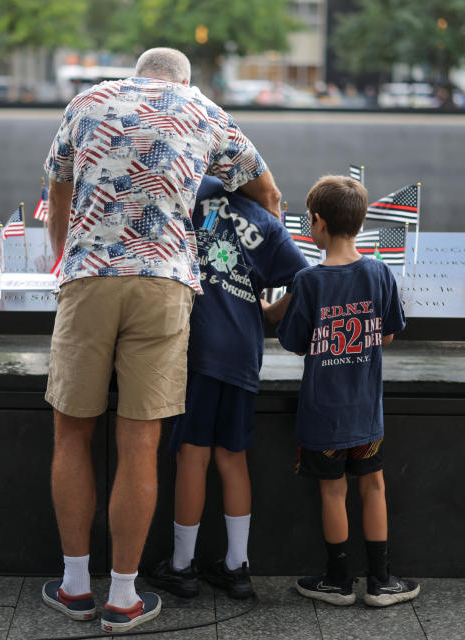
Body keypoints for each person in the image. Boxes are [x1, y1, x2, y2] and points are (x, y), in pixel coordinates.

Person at [40, 47, 280, 633]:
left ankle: (75, 587)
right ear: (182, 79)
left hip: (90, 277)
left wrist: (63, 260)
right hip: (165, 284)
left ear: (138, 72)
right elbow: (268, 196)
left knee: (72, 433)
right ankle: (123, 598)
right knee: (141, 444)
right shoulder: (205, 111)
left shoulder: (88, 100)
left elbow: (57, 196)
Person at [146, 176, 307, 600]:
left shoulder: (191, 191)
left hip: (197, 347)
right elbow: (306, 279)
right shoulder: (265, 219)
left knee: (192, 456)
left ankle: (182, 566)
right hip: (243, 351)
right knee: (233, 457)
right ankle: (237, 567)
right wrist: (271, 313)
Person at [276, 175, 419, 607]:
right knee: (372, 486)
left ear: (317, 223)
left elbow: (295, 341)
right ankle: (381, 581)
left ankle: (338, 581)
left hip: (322, 414)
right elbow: (388, 335)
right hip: (366, 413)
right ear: (359, 223)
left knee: (332, 491)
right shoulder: (378, 272)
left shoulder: (308, 280)